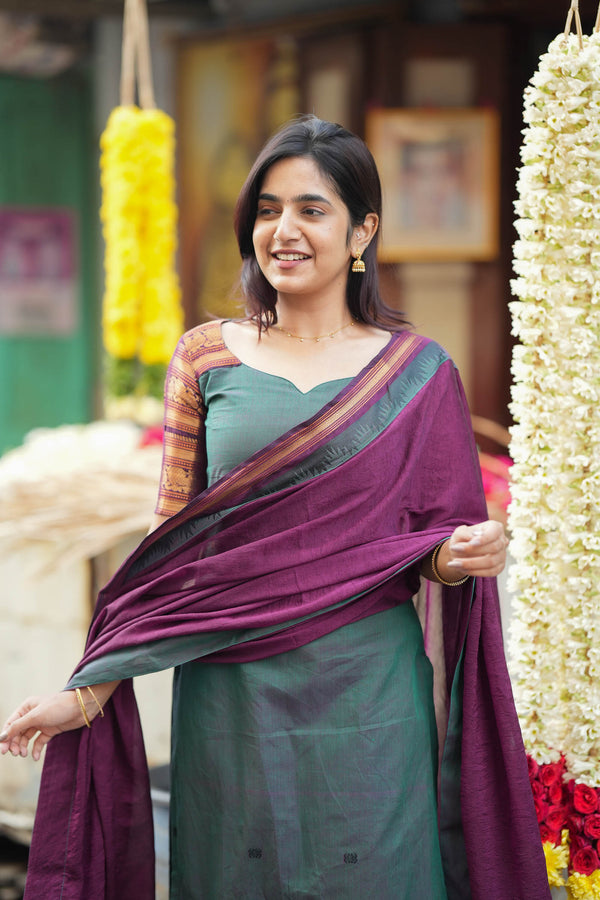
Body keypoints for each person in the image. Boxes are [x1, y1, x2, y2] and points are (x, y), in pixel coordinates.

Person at [0, 116, 549, 900]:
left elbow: (430, 541)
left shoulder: (419, 373)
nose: (282, 230)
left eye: (311, 210)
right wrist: (88, 690)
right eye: (266, 209)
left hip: (368, 697)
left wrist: (459, 557)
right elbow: (169, 553)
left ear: (363, 231)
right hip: (233, 701)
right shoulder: (205, 356)